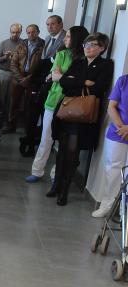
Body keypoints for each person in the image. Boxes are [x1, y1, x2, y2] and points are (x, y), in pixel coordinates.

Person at [50, 32, 114, 206]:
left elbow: (99, 88)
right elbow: (64, 83)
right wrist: (84, 82)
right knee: (62, 148)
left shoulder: (106, 64)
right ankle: (56, 184)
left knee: (73, 152)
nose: (88, 48)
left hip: (84, 115)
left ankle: (64, 190)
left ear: (102, 48)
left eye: (93, 45)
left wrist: (75, 81)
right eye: (86, 45)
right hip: (67, 110)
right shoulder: (78, 62)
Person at [26, 26, 88, 183]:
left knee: (64, 142)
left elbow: (78, 80)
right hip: (54, 100)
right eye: (65, 36)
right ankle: (37, 170)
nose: (65, 39)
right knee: (46, 137)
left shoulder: (83, 59)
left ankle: (56, 174)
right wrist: (70, 79)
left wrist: (65, 77)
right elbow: (54, 76)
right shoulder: (61, 54)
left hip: (71, 103)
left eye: (68, 37)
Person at [92, 72, 128, 217]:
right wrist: (122, 128)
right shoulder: (123, 80)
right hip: (118, 133)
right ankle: (107, 204)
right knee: (112, 169)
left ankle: (123, 210)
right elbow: (111, 106)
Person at [8, 24, 45, 132]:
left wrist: (30, 78)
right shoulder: (21, 45)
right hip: (18, 78)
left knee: (30, 104)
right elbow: (13, 64)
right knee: (14, 103)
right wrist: (20, 79)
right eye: (28, 32)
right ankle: (11, 126)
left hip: (33, 78)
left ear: (38, 32)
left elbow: (43, 65)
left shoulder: (43, 45)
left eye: (33, 32)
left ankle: (27, 128)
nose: (30, 34)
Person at [0, 23, 23, 122]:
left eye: (17, 32)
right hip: (3, 73)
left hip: (16, 75)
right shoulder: (4, 43)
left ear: (20, 32)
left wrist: (16, 58)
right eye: (13, 32)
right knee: (1, 97)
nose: (15, 34)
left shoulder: (23, 43)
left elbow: (25, 60)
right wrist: (5, 57)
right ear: (10, 32)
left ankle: (9, 121)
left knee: (12, 100)